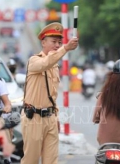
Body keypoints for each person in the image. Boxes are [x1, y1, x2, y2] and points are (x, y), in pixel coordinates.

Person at [21, 22, 79, 164]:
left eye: (60, 42)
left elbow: (52, 95)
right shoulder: (34, 61)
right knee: (31, 160)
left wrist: (56, 117)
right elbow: (45, 63)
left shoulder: (55, 66)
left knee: (52, 160)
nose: (57, 45)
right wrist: (65, 48)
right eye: (54, 42)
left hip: (50, 118)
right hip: (33, 117)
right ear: (43, 42)